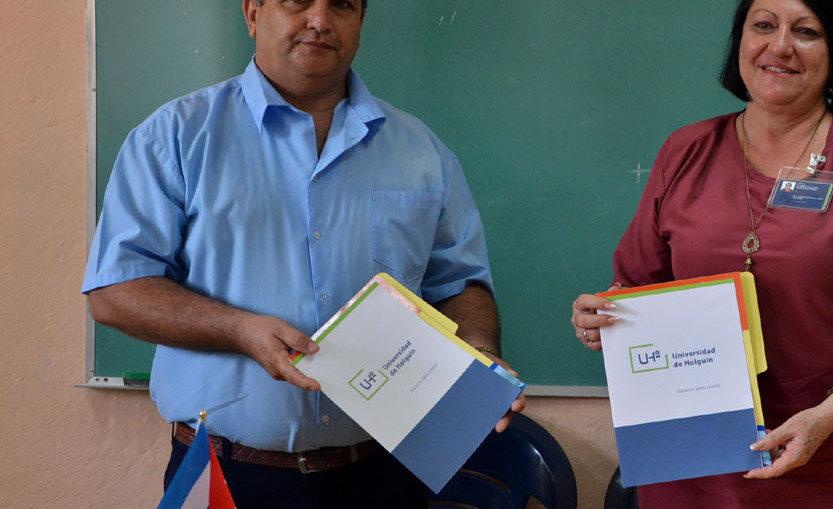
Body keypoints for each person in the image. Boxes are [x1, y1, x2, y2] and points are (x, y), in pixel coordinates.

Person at [82, 1, 524, 507]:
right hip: (227, 475)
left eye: (342, 5)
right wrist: (238, 330)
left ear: (360, 21)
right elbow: (115, 291)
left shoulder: (421, 150)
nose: (319, 20)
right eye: (297, 1)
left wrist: (480, 356)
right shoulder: (175, 137)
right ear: (252, 12)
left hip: (384, 473)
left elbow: (459, 285)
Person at [570, 0, 833, 507]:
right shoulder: (685, 150)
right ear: (741, 43)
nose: (780, 46)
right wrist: (602, 317)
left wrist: (831, 413)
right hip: (698, 460)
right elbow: (638, 289)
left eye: (806, 31)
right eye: (764, 26)